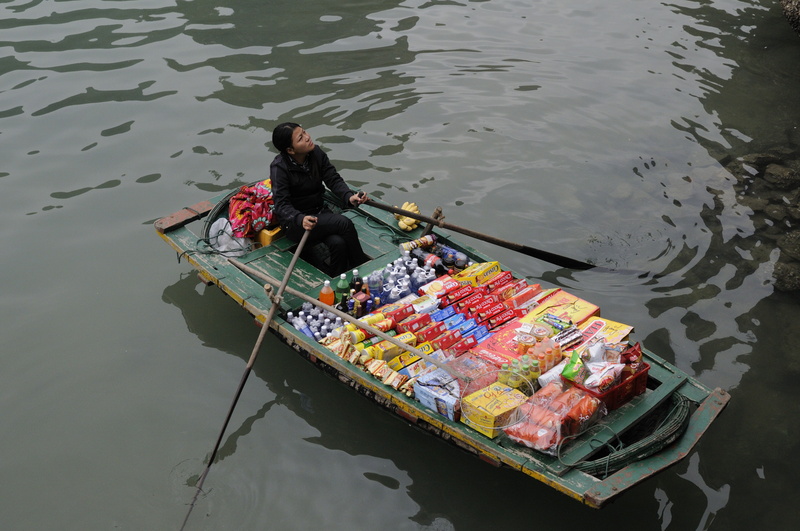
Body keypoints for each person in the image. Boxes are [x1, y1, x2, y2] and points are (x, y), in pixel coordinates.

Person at [270, 122, 369, 276]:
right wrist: (299, 218)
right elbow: (281, 205)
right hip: (297, 223)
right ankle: (365, 270)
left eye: (305, 132)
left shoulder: (316, 153)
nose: (308, 137)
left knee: (338, 244)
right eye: (301, 138)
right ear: (290, 150)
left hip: (319, 212)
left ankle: (337, 280)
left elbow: (333, 179)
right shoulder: (279, 168)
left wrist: (349, 197)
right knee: (344, 223)